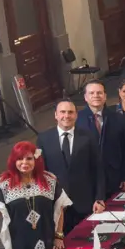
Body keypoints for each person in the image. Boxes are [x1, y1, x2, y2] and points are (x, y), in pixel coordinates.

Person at [0, 141, 71, 249]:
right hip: (19, 243)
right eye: (19, 159)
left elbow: (60, 207)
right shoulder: (4, 184)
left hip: (47, 238)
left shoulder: (49, 180)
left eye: (29, 158)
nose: (24, 163)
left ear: (36, 160)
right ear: (13, 161)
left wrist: (59, 236)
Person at [36, 99, 104, 236]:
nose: (66, 116)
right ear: (55, 115)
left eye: (70, 112)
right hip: (58, 205)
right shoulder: (43, 139)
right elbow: (41, 173)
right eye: (62, 112)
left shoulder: (88, 136)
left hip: (85, 202)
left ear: (76, 115)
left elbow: (98, 169)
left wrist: (100, 198)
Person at [77, 80, 125, 197]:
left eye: (99, 93)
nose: (96, 96)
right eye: (92, 93)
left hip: (114, 176)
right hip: (89, 179)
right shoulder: (77, 120)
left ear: (105, 96)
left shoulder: (118, 118)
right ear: (85, 97)